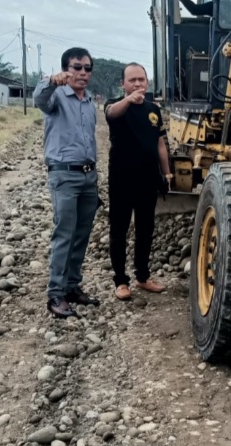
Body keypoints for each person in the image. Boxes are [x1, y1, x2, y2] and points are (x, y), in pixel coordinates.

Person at [32, 47, 101, 319]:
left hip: (88, 176)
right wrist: (51, 80)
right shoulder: (57, 96)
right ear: (66, 69)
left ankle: (72, 287)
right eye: (76, 67)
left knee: (82, 235)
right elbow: (39, 98)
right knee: (64, 234)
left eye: (86, 68)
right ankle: (56, 295)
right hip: (64, 175)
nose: (82, 73)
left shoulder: (88, 102)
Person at [104, 62, 172, 300]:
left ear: (147, 82)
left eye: (141, 80)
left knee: (146, 229)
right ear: (123, 84)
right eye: (132, 80)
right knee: (119, 229)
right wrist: (129, 100)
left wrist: (167, 173)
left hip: (148, 179)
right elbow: (112, 114)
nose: (137, 84)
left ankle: (142, 277)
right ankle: (121, 281)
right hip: (122, 178)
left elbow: (160, 143)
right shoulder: (115, 106)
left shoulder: (154, 110)